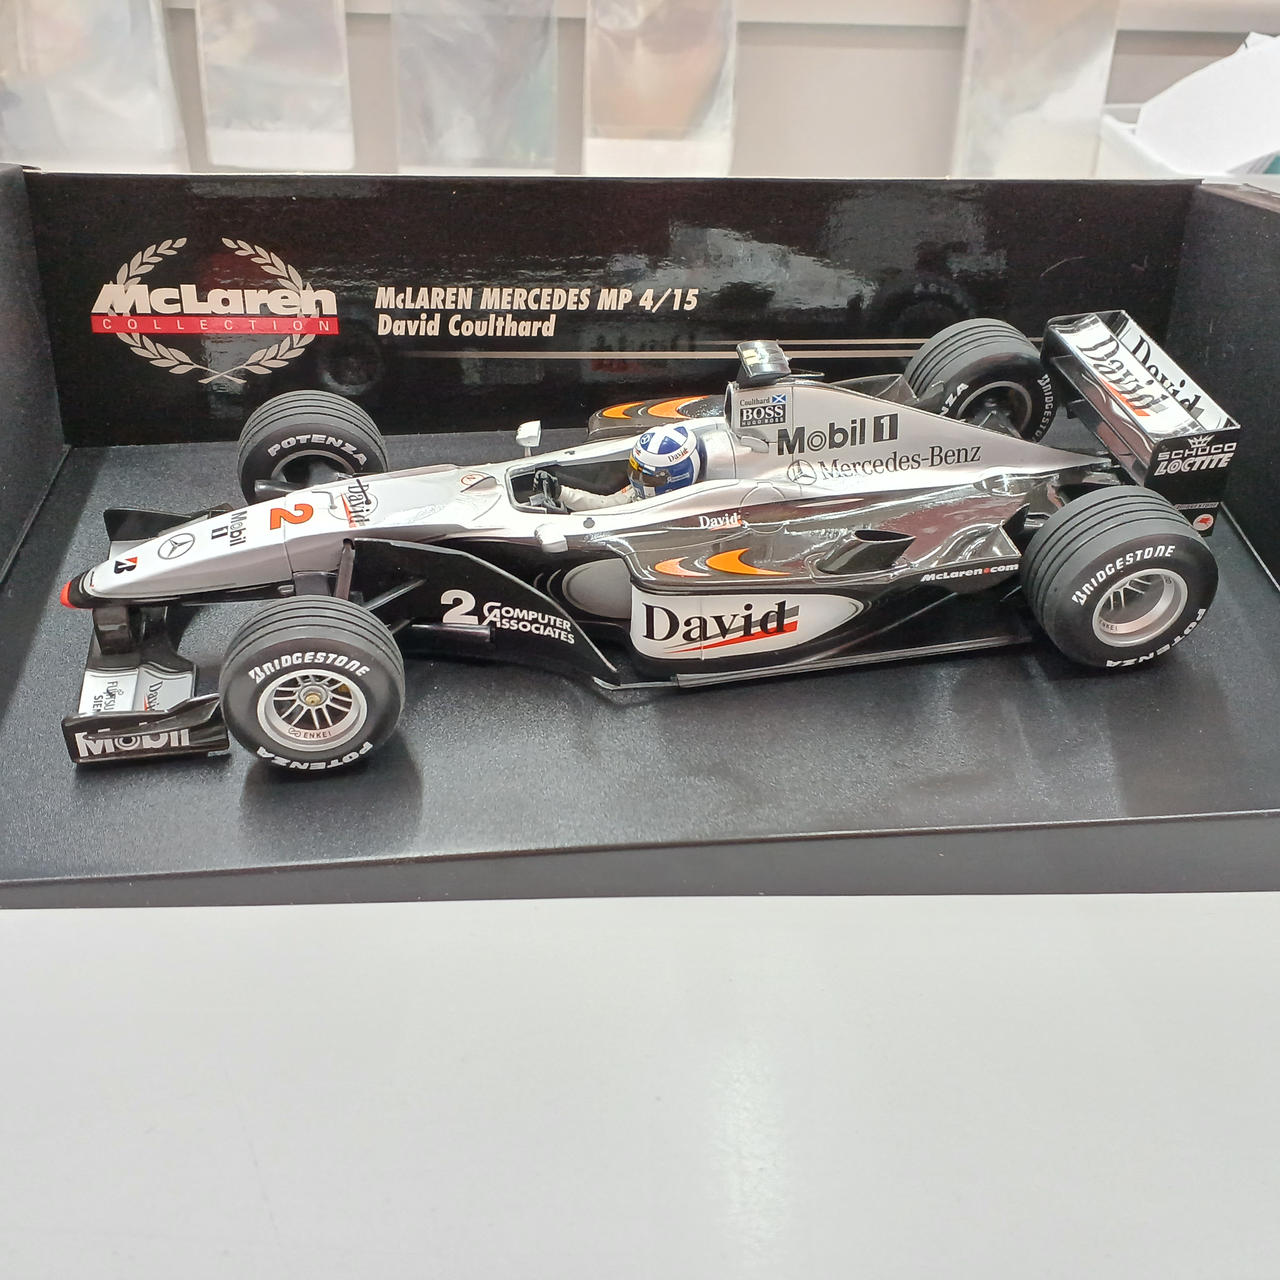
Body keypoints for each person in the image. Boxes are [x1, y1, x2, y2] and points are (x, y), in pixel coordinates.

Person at [553, 423, 704, 512]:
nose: (637, 479)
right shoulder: (644, 489)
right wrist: (561, 493)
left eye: (647, 476)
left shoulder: (694, 510)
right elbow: (607, 505)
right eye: (635, 470)